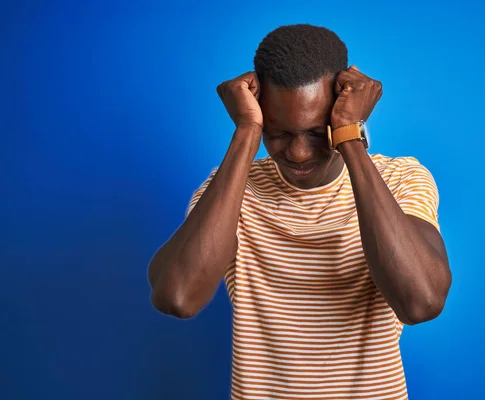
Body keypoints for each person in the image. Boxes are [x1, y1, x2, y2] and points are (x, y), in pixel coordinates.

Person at [148, 24, 452, 400]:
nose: (298, 153)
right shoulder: (229, 191)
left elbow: (420, 302)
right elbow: (177, 296)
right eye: (278, 133)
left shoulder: (400, 178)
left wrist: (349, 137)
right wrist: (246, 133)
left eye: (315, 132)